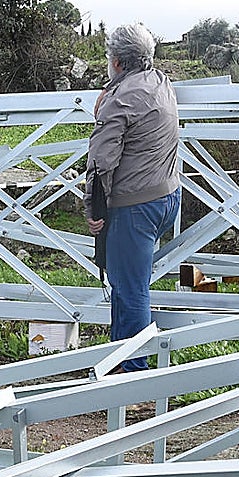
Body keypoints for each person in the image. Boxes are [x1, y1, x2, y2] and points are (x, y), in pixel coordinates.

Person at [84, 23, 181, 372]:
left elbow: (100, 162)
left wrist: (94, 210)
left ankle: (136, 375)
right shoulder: (161, 82)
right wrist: (111, 92)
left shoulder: (119, 100)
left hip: (135, 206)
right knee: (126, 283)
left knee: (130, 290)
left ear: (118, 63)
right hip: (168, 196)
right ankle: (119, 359)